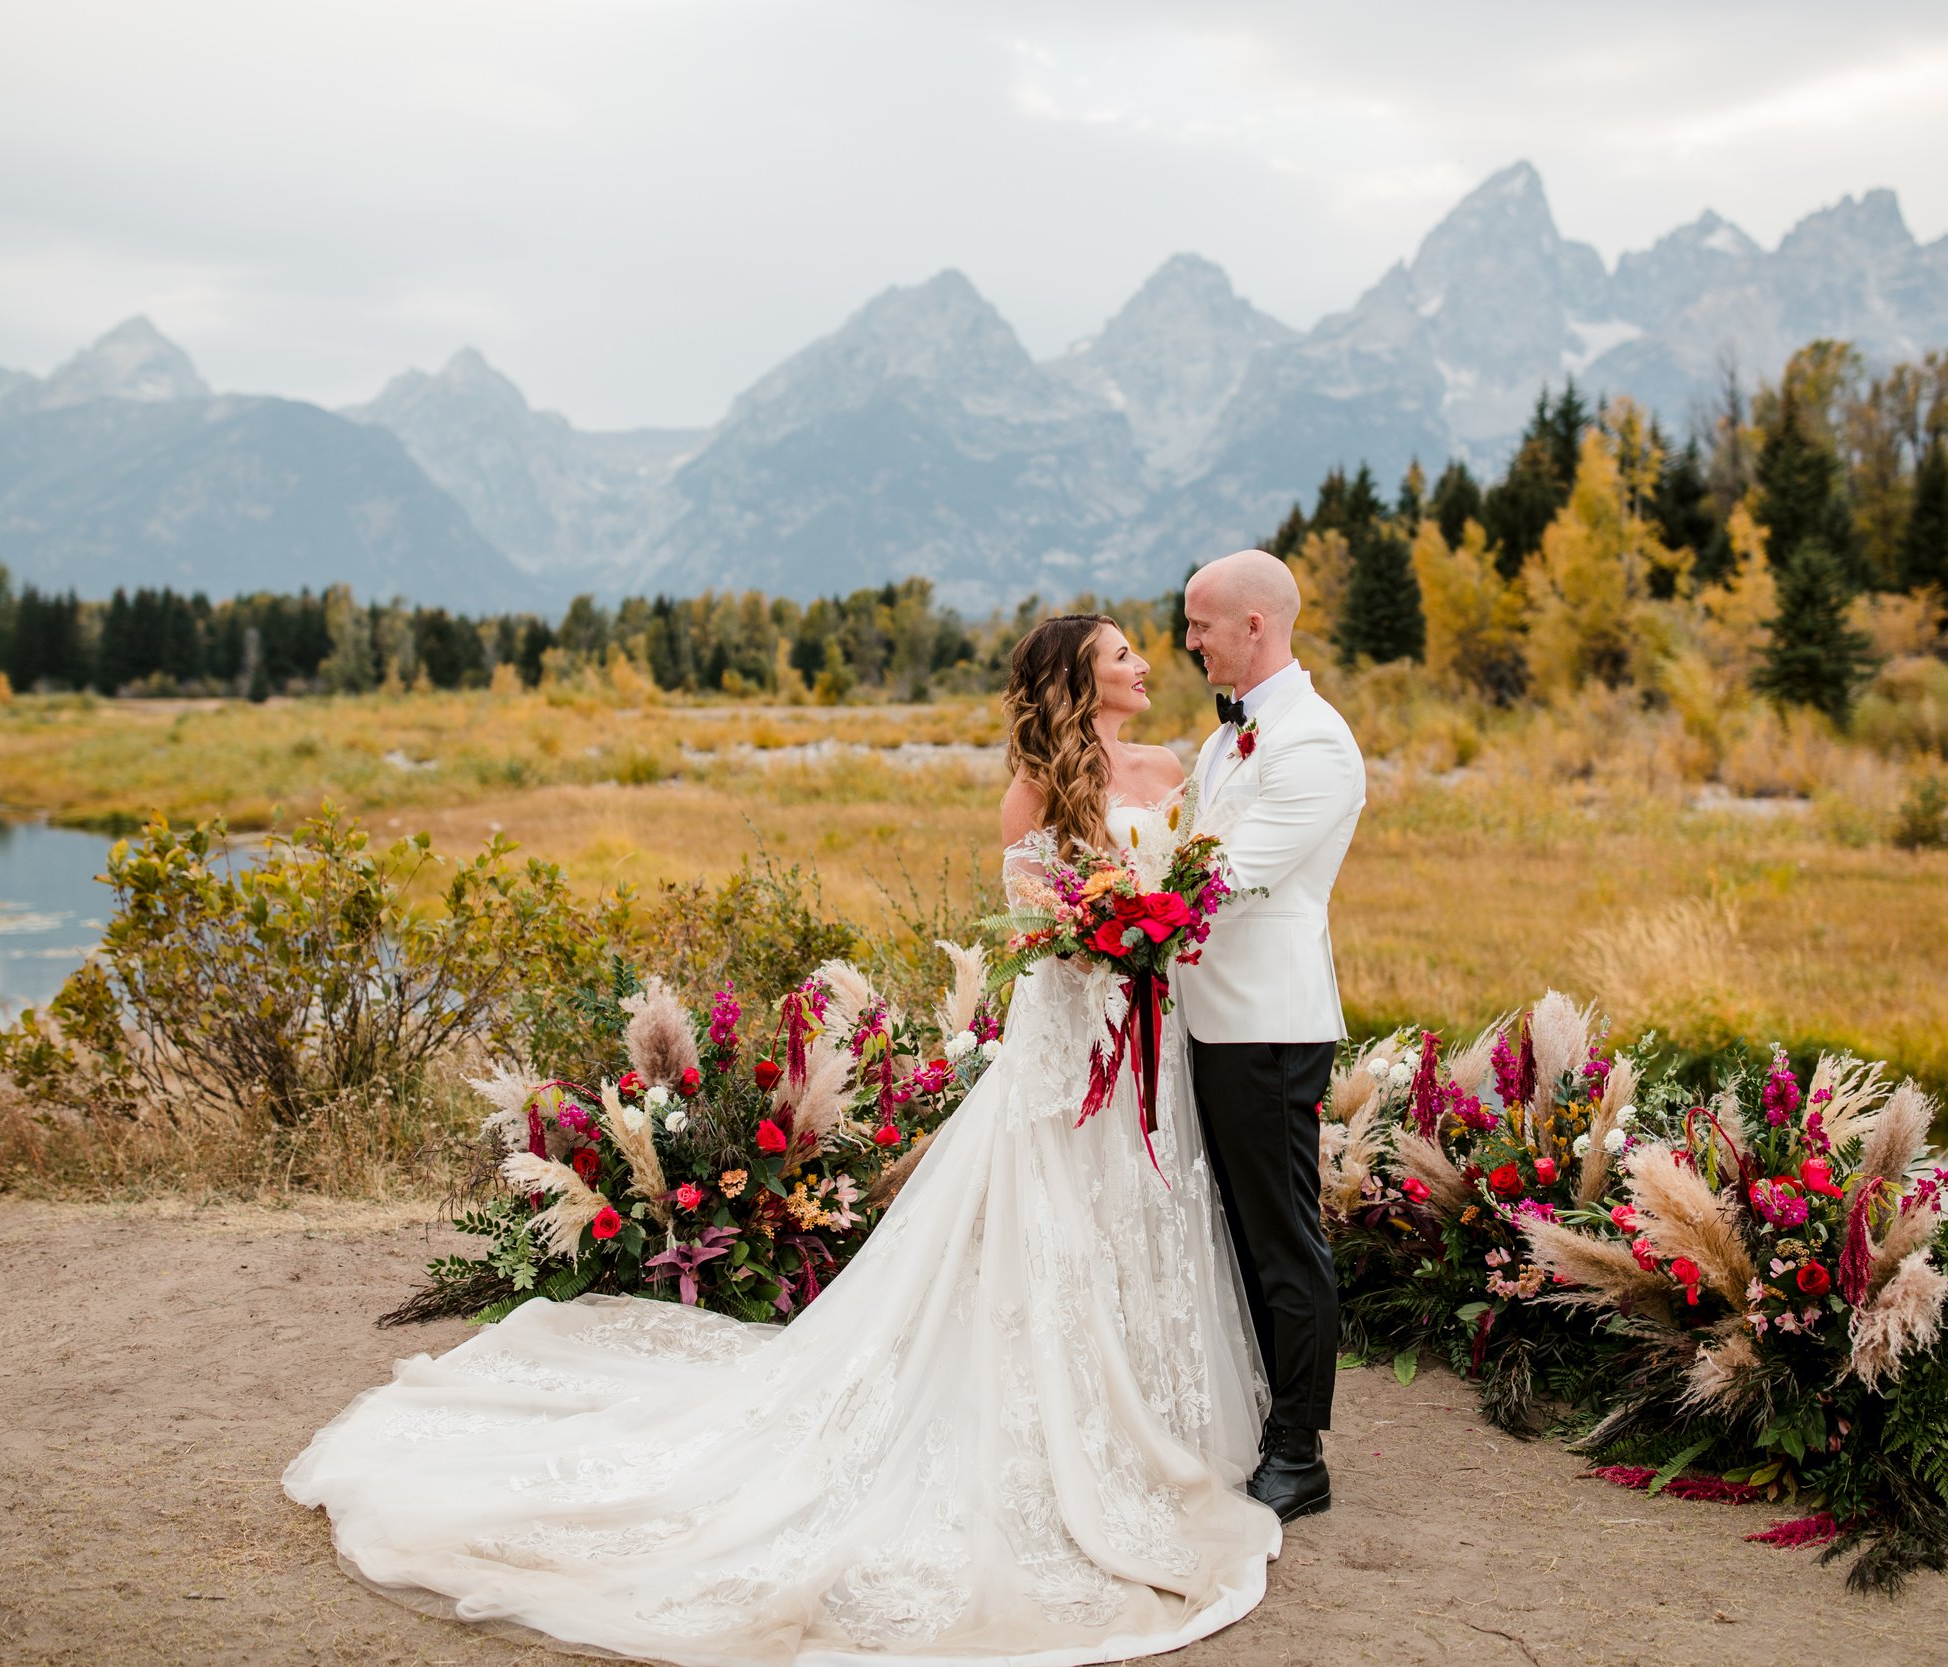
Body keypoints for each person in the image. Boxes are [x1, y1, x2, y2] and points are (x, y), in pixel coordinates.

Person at [283, 613, 1280, 1666]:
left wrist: (1158, 923)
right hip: (1064, 1042)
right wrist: (1099, 928)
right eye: (1122, 652)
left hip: (1149, 1037)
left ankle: (1154, 1422)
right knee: (1051, 1228)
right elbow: (1035, 926)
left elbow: (1196, 882)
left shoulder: (1172, 764)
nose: (1142, 663)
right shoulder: (1030, 793)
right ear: (1078, 679)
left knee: (1141, 1213)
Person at [1173, 549, 1366, 1525]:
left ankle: (1300, 1450)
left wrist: (1112, 911)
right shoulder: (1226, 741)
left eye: (1201, 622)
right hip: (1207, 1016)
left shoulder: (1315, 743)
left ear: (1255, 624)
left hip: (1268, 1022)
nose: (1189, 639)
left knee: (1283, 1234)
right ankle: (1256, 1414)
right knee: (1234, 1229)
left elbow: (1228, 873)